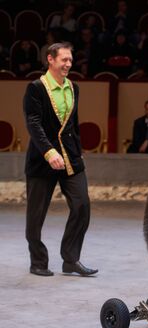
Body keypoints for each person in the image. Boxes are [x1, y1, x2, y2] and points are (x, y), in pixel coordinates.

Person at [23, 42, 97, 277]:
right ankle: (38, 261)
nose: (68, 64)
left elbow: (73, 124)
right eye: (64, 59)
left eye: (70, 60)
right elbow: (33, 124)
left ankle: (70, 259)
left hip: (71, 157)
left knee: (82, 205)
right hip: (43, 159)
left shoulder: (73, 88)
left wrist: (78, 150)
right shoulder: (35, 88)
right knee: (36, 215)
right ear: (50, 59)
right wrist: (49, 152)